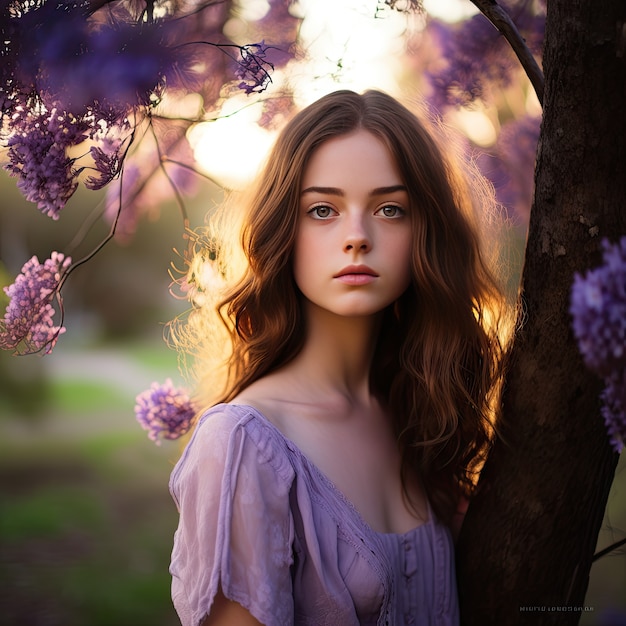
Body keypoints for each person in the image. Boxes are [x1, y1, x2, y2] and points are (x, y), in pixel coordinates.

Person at [168, 89, 509, 626]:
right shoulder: (243, 443)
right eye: (323, 210)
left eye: (389, 209)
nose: (357, 237)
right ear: (283, 230)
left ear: (425, 231)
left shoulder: (423, 415)